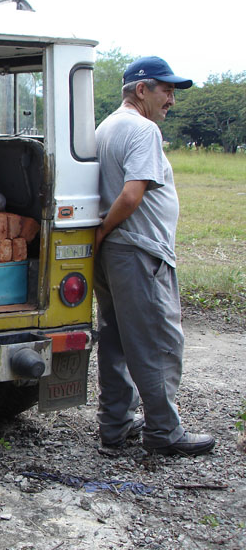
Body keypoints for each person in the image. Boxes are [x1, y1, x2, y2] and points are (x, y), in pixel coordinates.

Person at [94, 56, 215, 456]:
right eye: (166, 90)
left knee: (116, 342)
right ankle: (164, 432)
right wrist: (105, 229)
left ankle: (115, 427)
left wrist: (102, 238)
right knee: (158, 343)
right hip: (140, 251)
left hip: (116, 255)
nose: (172, 100)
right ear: (141, 90)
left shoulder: (105, 127)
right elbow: (131, 195)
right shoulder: (142, 129)